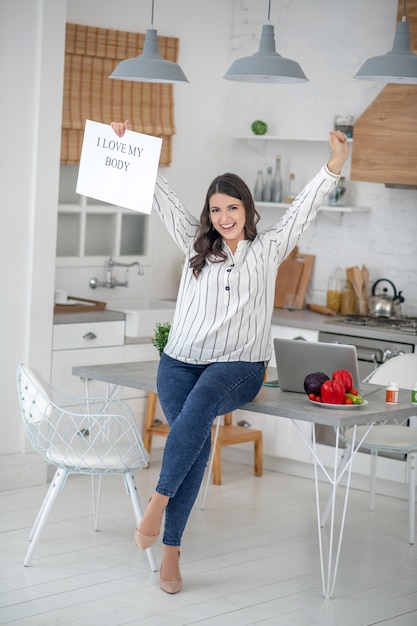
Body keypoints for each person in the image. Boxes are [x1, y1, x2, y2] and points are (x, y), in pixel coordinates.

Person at [111, 121, 349, 594]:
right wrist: (130, 146)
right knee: (193, 441)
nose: (223, 217)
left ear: (247, 209)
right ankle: (172, 554)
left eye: (232, 207)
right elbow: (162, 196)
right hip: (179, 360)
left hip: (240, 367)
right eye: (216, 209)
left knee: (195, 419)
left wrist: (334, 167)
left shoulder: (268, 250)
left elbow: (304, 208)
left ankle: (155, 504)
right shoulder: (196, 246)